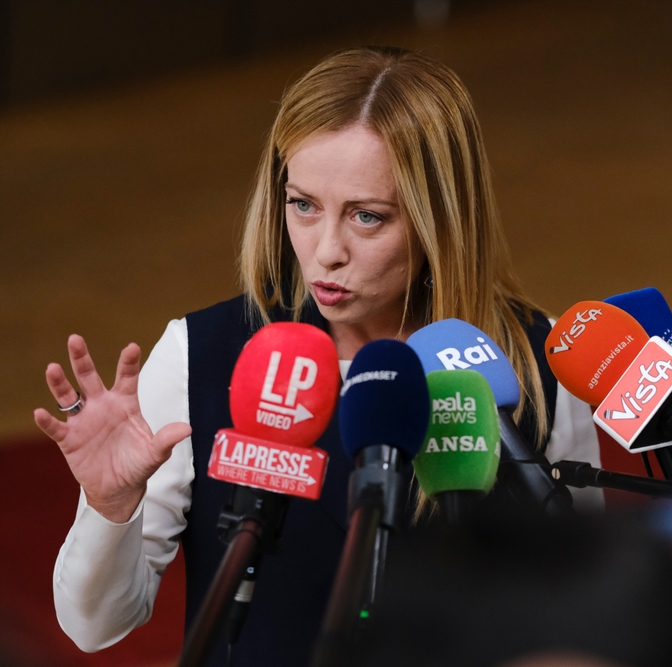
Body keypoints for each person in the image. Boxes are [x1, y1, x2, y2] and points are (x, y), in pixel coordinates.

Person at [35, 46, 602, 666]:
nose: (326, 251)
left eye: (367, 217)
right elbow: (94, 627)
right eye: (303, 204)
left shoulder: (532, 361)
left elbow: (580, 616)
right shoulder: (201, 354)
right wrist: (111, 506)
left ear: (440, 218)